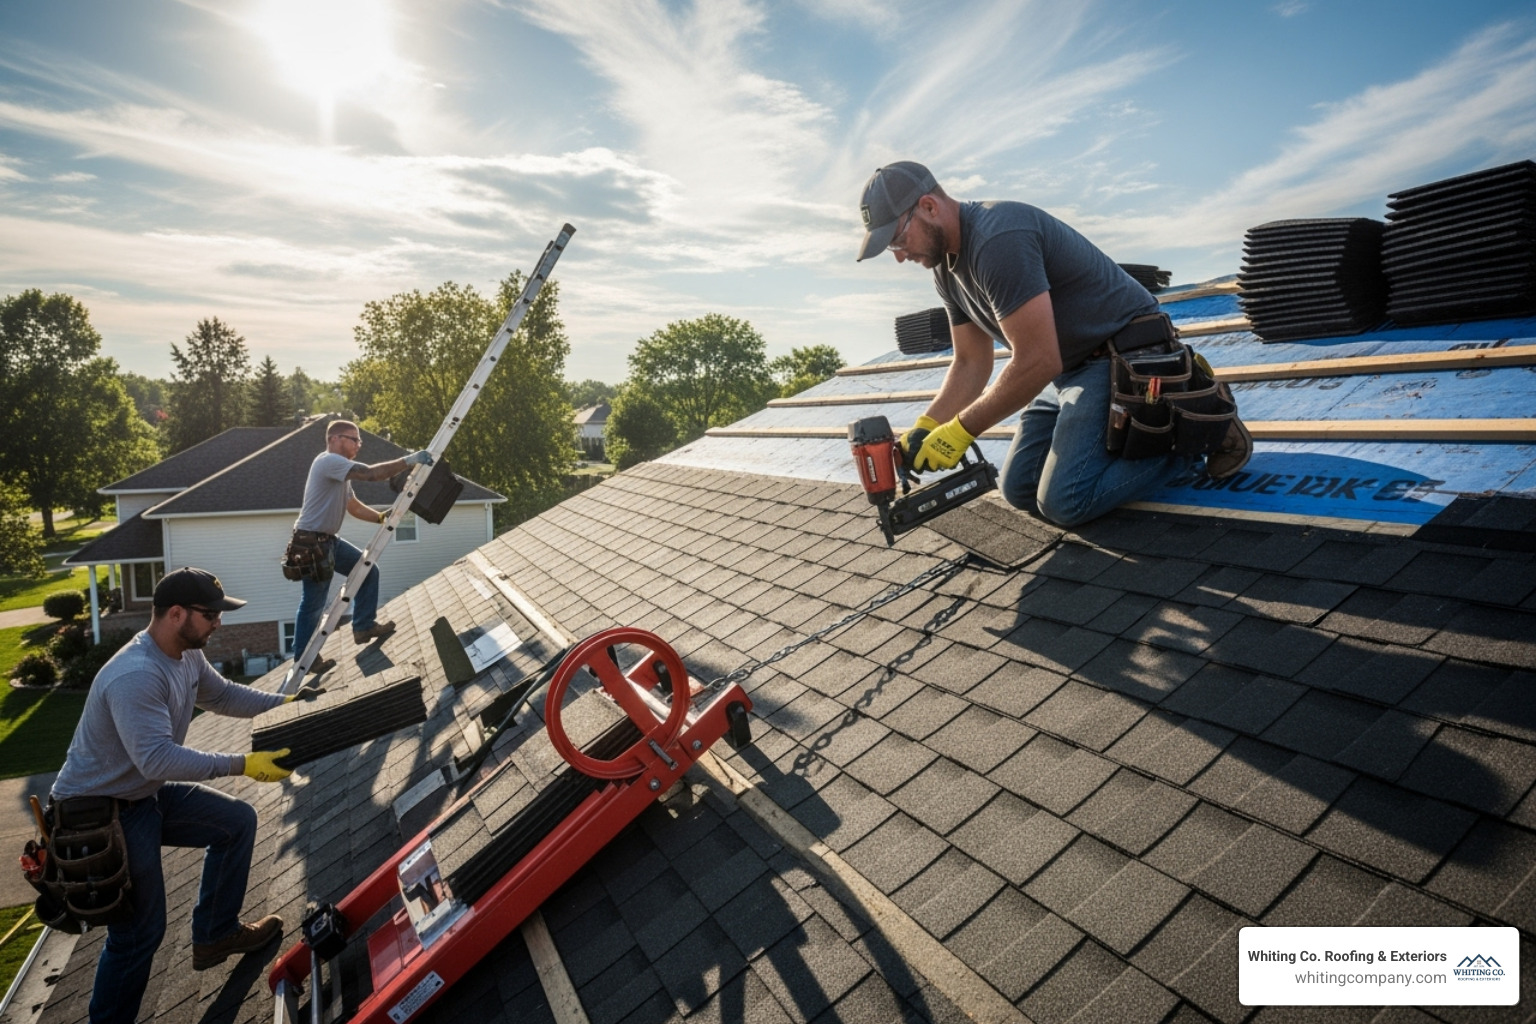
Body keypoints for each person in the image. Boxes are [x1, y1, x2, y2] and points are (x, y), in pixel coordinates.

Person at [856, 161, 1251, 527]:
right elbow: (970, 362)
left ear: (928, 206)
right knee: (1020, 489)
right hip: (1071, 368)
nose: (899, 256)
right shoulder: (944, 269)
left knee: (1065, 501)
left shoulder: (999, 237)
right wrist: (929, 425)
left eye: (896, 240)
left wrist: (961, 430)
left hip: (1127, 355)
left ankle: (1196, 432)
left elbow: (1038, 360)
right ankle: (1129, 440)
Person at [50, 567, 315, 1024]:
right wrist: (242, 764)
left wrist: (285, 706)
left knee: (235, 822)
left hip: (141, 794)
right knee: (138, 935)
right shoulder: (135, 675)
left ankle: (215, 934)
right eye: (210, 615)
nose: (218, 624)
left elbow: (223, 696)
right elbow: (158, 759)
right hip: (98, 813)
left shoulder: (187, 654)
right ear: (176, 614)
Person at [289, 419, 433, 662]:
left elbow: (352, 506)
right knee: (314, 602)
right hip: (311, 543)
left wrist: (379, 517)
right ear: (334, 439)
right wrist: (408, 461)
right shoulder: (329, 461)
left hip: (327, 541)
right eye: (354, 439)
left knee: (367, 570)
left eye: (360, 440)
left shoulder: (339, 471)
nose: (359, 444)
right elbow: (370, 474)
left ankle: (363, 626)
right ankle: (303, 657)